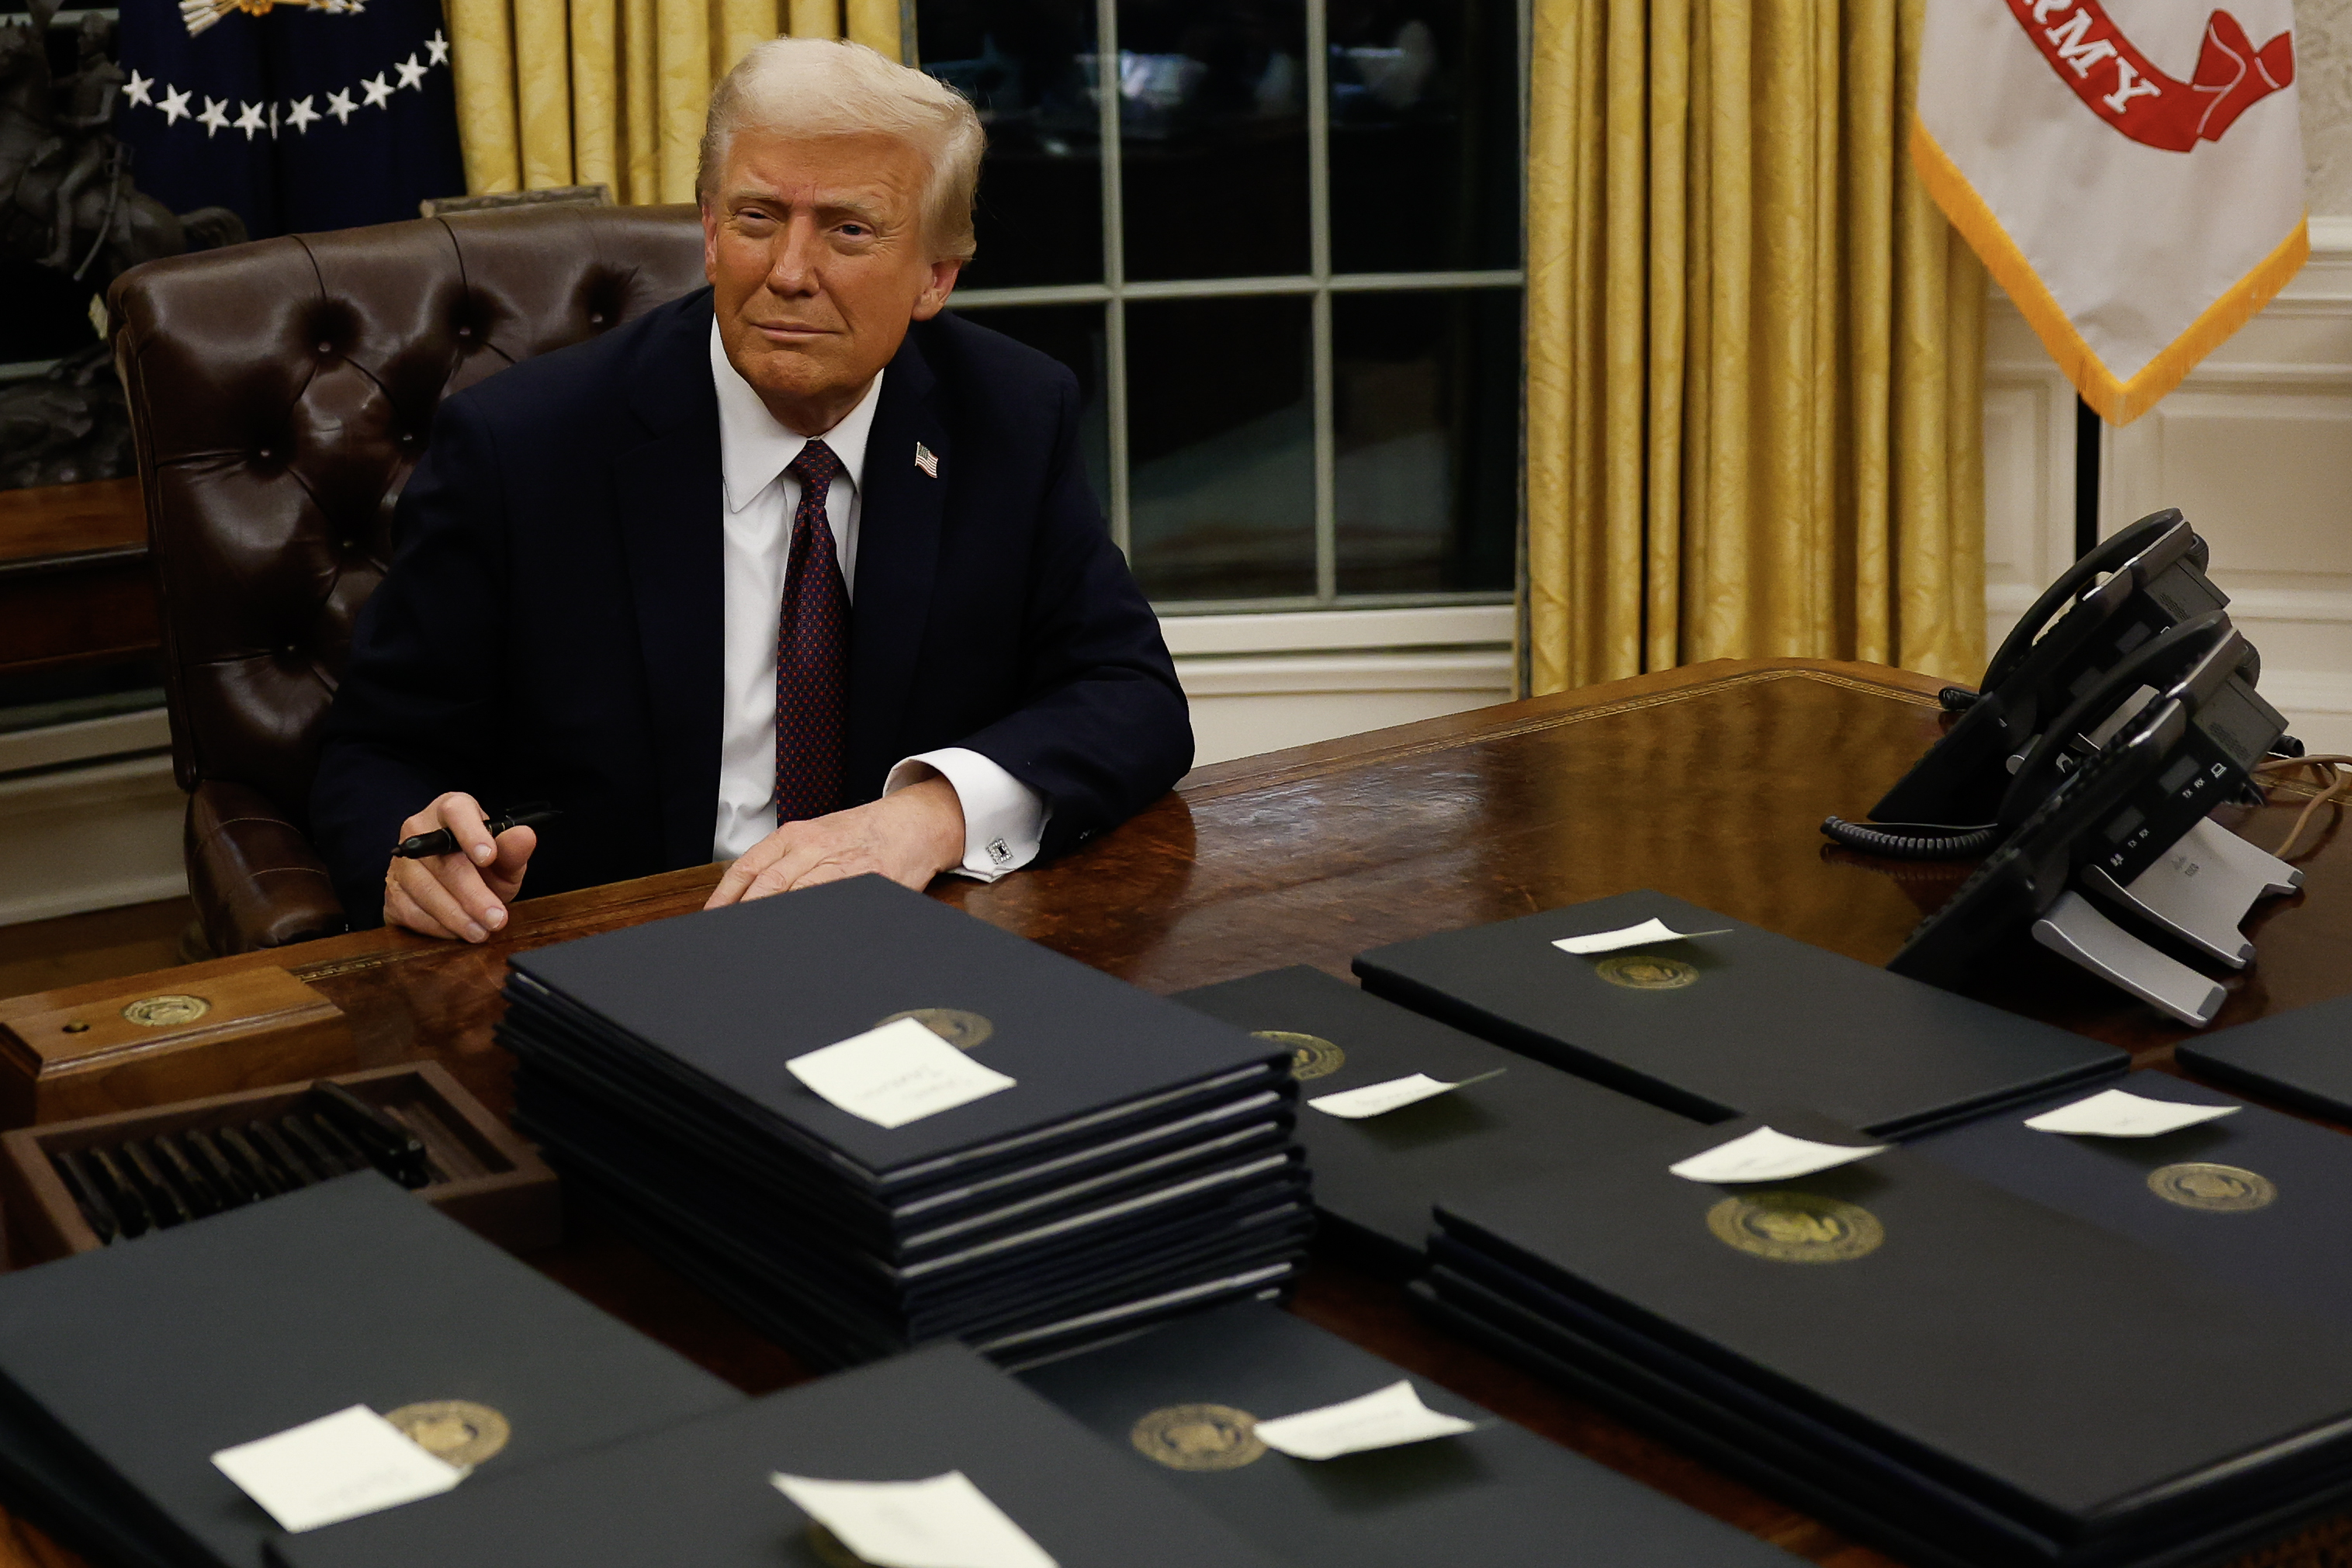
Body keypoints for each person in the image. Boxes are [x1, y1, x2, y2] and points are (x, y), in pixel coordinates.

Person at [309, 37, 1191, 943]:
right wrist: (407, 855)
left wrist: (930, 814)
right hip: (619, 950)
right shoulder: (521, 448)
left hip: (916, 935)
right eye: (758, 217)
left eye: (849, 228)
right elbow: (375, 752)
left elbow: (1131, 696)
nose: (789, 272)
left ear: (935, 276)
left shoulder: (1008, 414)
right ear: (708, 230)